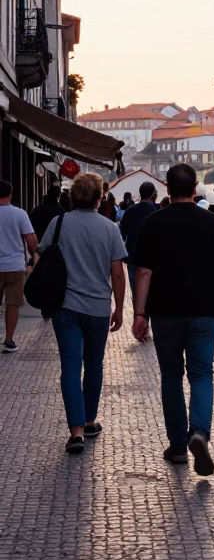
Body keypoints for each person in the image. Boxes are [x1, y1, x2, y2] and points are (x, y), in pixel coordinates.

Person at [131, 163, 214, 475]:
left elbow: (144, 271)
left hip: (165, 314)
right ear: (195, 190)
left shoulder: (153, 222)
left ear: (166, 188)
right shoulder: (211, 223)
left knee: (171, 377)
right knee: (202, 376)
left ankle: (178, 446)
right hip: (204, 313)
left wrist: (140, 314)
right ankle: (199, 433)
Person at [37, 172, 126, 454]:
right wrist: (121, 308)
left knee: (71, 367)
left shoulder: (59, 222)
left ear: (73, 197)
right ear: (100, 198)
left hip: (65, 307)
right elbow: (117, 273)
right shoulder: (110, 228)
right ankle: (89, 421)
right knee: (95, 365)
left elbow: (41, 253)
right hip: (98, 308)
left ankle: (75, 431)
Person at [0, 180, 38, 353]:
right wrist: (35, 258)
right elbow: (31, 241)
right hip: (15, 266)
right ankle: (9, 340)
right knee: (13, 304)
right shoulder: (19, 214)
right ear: (11, 194)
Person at [119, 181, 158, 294]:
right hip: (152, 258)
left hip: (132, 255)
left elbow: (122, 233)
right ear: (152, 194)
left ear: (140, 194)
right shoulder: (156, 212)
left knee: (135, 289)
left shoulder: (130, 211)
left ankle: (137, 310)